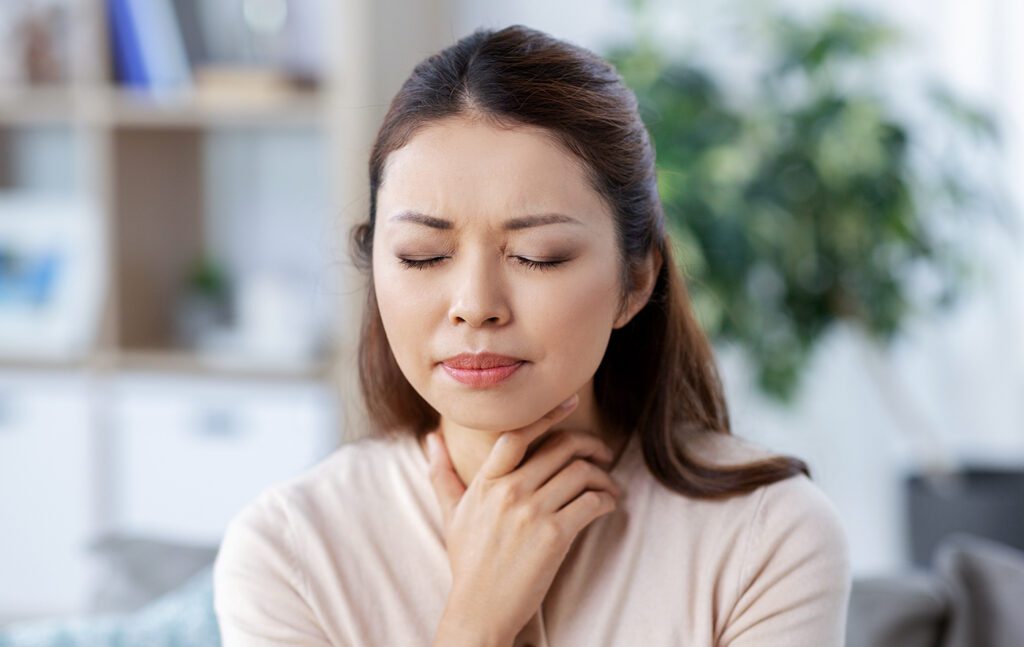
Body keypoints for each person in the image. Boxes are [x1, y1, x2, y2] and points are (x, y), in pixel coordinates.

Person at [213, 24, 851, 647]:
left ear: (635, 280)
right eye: (422, 255)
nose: (475, 307)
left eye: (538, 256)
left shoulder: (768, 537)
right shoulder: (287, 554)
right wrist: (475, 624)